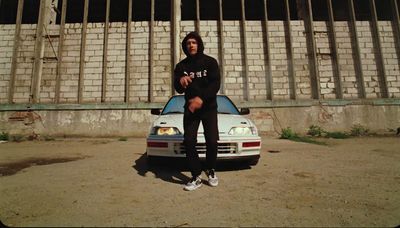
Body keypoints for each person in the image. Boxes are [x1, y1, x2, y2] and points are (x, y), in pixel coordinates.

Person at [174, 32, 221, 191]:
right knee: (188, 141)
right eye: (188, 43)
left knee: (212, 140)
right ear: (185, 47)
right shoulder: (182, 66)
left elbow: (215, 85)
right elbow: (178, 88)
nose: (191, 45)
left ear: (199, 44)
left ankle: (211, 169)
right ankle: (196, 176)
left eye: (194, 42)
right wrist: (180, 81)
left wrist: (201, 98)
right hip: (191, 109)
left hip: (208, 107)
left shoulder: (210, 62)